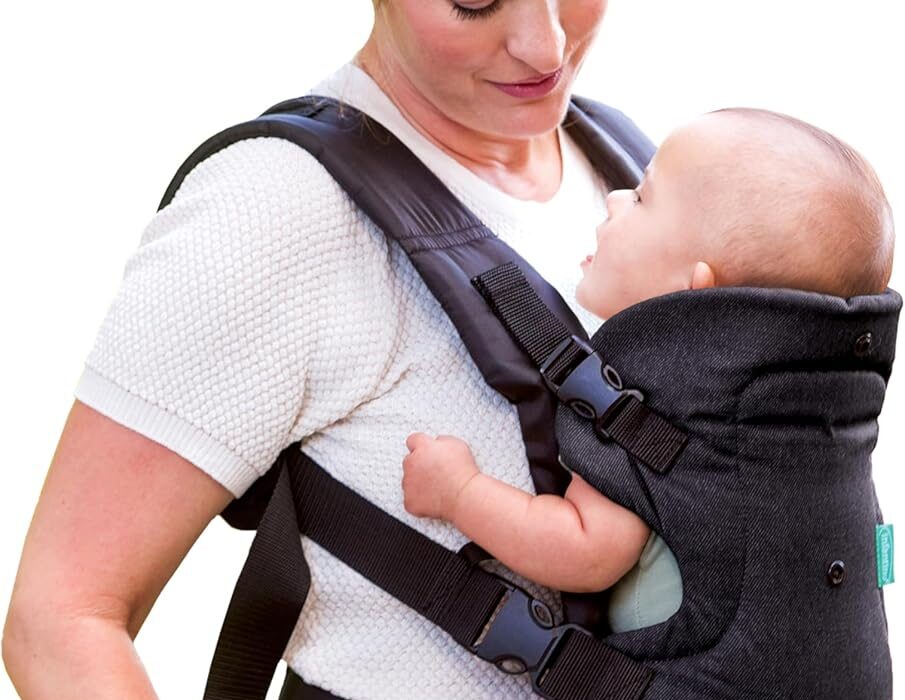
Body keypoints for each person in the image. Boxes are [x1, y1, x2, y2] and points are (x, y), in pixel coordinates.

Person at [2, 1, 647, 699]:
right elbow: (59, 624)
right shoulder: (272, 209)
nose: (545, 47)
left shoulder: (637, 171)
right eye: (473, 0)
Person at [401, 107, 895, 625]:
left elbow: (584, 551)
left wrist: (459, 492)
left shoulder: (666, 407)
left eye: (641, 198)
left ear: (694, 288)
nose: (614, 199)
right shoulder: (802, 419)